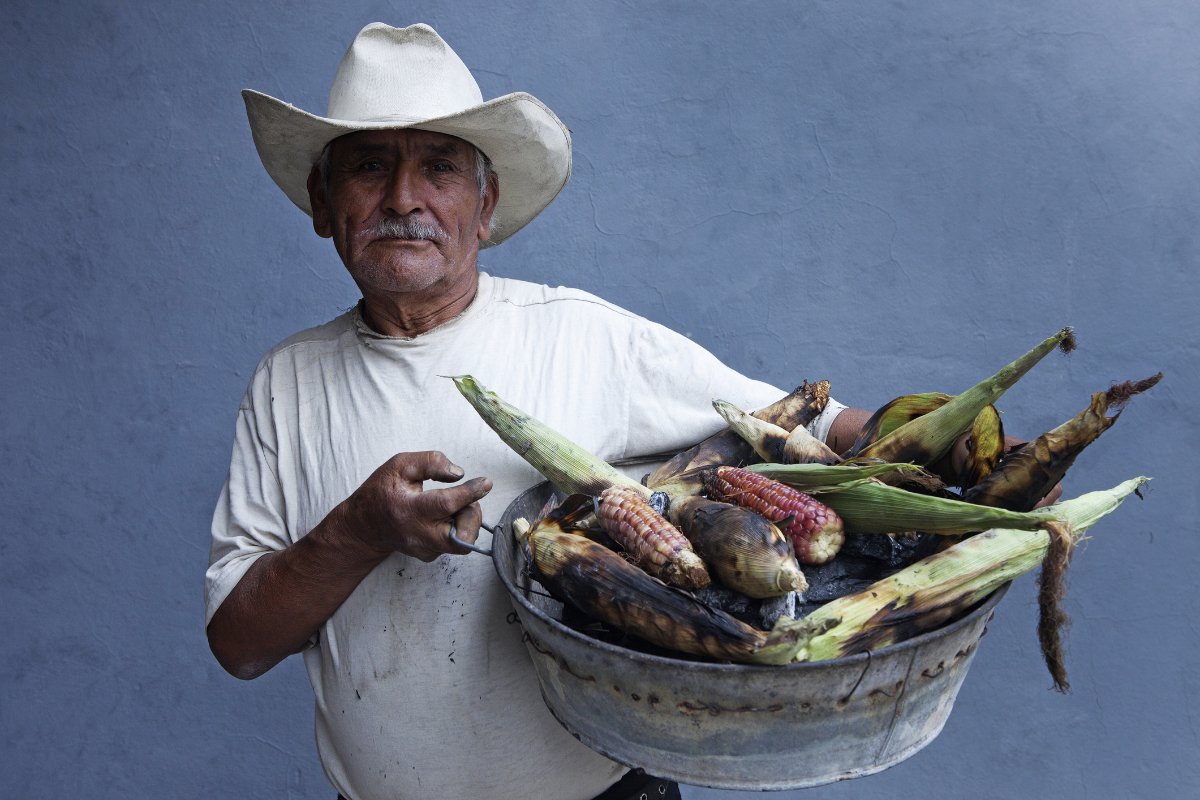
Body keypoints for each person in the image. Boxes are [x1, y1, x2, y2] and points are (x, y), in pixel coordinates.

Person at [204, 22, 884, 800]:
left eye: (439, 167)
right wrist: (360, 530)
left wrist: (962, 456)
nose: (402, 199)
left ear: (485, 203)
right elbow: (240, 642)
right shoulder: (286, 384)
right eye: (367, 167)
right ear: (324, 205)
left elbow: (810, 428)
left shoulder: (584, 336)